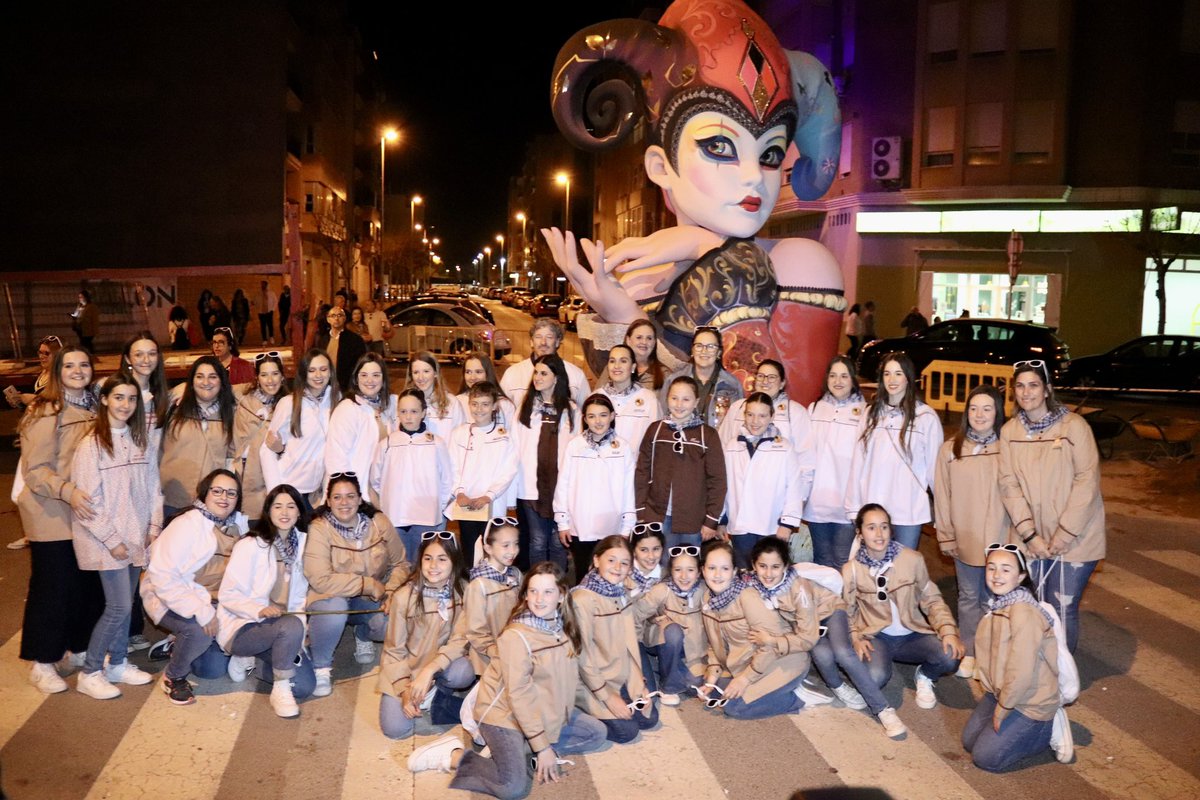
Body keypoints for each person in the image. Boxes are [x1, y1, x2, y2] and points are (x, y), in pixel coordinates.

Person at [544, 0, 845, 406]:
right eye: (720, 145)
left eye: (770, 153)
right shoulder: (637, 279)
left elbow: (768, 411)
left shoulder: (801, 264)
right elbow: (630, 410)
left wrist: (714, 253)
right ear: (660, 165)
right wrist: (624, 317)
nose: (753, 175)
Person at [408, 563, 608, 796]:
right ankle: (454, 755)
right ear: (524, 594)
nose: (539, 599)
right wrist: (542, 747)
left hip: (542, 710)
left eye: (547, 592)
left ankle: (517, 750)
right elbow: (518, 696)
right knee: (511, 786)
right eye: (532, 591)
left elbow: (579, 671)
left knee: (596, 734)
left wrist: (607, 697)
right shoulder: (517, 636)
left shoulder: (566, 627)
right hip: (504, 715)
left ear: (562, 595)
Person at [999, 361, 1105, 654]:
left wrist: (1064, 533)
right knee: (1036, 605)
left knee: (1062, 606)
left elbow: (1087, 480)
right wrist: (1029, 535)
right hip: (1030, 538)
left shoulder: (1074, 426)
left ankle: (1061, 678)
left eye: (1033, 385)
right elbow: (1009, 484)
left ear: (1046, 389)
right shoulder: (1009, 432)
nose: (1026, 392)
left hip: (1075, 536)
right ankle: (1041, 673)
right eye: (1020, 386)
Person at [17, 346, 104, 694]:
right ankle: (42, 661)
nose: (77, 370)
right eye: (69, 365)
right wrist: (69, 492)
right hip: (52, 513)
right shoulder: (45, 410)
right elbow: (35, 470)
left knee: (86, 587)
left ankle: (79, 648)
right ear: (57, 371)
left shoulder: (96, 407)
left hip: (87, 514)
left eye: (84, 364)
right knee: (53, 589)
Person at [69, 374, 161, 699]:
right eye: (119, 397)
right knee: (118, 607)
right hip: (106, 542)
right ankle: (91, 670)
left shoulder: (141, 439)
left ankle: (118, 663)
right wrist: (113, 540)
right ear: (105, 399)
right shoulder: (90, 445)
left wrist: (153, 529)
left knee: (128, 603)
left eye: (131, 398)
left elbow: (153, 487)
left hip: (137, 538)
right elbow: (88, 503)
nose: (125, 404)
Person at [842, 503, 964, 729]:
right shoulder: (851, 570)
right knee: (875, 677)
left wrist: (948, 631)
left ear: (891, 529)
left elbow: (932, 599)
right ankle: (882, 664)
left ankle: (925, 675)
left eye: (884, 527)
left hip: (912, 635)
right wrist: (855, 636)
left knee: (950, 656)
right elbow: (846, 610)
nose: (879, 534)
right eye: (871, 528)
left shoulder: (912, 559)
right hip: (876, 637)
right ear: (859, 533)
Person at [140, 469, 251, 705]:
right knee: (199, 632)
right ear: (205, 493)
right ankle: (173, 677)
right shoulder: (186, 525)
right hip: (167, 595)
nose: (224, 497)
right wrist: (201, 611)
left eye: (231, 493)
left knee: (210, 669)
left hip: (213, 599)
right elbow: (163, 576)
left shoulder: (239, 525)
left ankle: (177, 644)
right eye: (217, 491)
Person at [962, 543, 1073, 770]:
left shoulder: (1023, 612)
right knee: (969, 742)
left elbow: (1020, 669)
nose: (996, 575)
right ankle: (1018, 727)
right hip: (1002, 693)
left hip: (1030, 701)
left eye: (1005, 569)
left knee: (986, 758)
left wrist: (1004, 707)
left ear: (1021, 576)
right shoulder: (999, 606)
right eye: (991, 568)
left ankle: (1047, 729)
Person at [303, 472, 408, 696]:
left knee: (391, 623)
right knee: (334, 609)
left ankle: (363, 633)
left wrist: (389, 592)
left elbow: (401, 563)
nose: (344, 503)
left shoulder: (379, 522)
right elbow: (320, 579)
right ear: (328, 501)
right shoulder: (319, 528)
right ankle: (321, 666)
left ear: (360, 499)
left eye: (350, 496)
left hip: (371, 599)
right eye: (337, 497)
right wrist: (367, 585)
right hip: (330, 597)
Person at [934, 384, 1012, 680]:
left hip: (1000, 538)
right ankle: (970, 652)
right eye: (974, 408)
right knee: (968, 596)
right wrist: (946, 533)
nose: (980, 415)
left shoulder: (1007, 448)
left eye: (987, 408)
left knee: (998, 599)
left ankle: (996, 654)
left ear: (998, 413)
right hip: (964, 537)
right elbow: (942, 495)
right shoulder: (951, 449)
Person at [218, 484, 316, 718]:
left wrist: (299, 638)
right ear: (268, 511)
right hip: (244, 626)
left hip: (284, 629)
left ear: (300, 512)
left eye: (291, 506)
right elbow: (228, 595)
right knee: (291, 624)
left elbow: (300, 601)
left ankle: (251, 660)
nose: (284, 512)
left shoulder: (305, 545)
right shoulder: (250, 544)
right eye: (278, 506)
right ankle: (279, 689)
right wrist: (259, 609)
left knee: (304, 687)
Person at [377, 531, 474, 739]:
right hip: (407, 670)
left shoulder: (465, 592)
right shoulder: (404, 597)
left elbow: (459, 641)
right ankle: (428, 697)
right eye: (427, 558)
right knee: (395, 729)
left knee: (463, 671)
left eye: (442, 559)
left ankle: (433, 691)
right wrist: (404, 690)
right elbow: (394, 651)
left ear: (454, 561)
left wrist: (429, 671)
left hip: (439, 667)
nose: (433, 566)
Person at [696, 540, 807, 719]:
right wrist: (712, 676)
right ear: (703, 571)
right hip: (747, 664)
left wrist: (745, 679)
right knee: (714, 691)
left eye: (725, 569)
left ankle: (799, 696)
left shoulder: (748, 597)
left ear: (734, 571)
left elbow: (771, 645)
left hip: (781, 662)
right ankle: (764, 689)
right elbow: (715, 643)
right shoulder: (708, 599)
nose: (717, 575)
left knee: (734, 709)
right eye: (711, 568)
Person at [846, 353, 943, 551]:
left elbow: (936, 470)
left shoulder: (926, 417)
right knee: (873, 573)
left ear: (908, 377)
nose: (892, 380)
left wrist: (943, 511)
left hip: (909, 510)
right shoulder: (870, 414)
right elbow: (858, 463)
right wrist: (854, 507)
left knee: (903, 574)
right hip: (874, 509)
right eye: (887, 374)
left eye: (898, 374)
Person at [570, 535, 659, 743]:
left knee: (648, 719)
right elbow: (582, 656)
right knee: (626, 732)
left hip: (616, 674)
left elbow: (626, 646)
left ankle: (621, 697)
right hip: (589, 680)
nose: (618, 567)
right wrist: (608, 697)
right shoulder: (582, 599)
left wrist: (638, 686)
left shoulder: (620, 593)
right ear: (596, 560)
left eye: (624, 562)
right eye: (611, 560)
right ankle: (571, 711)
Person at [635, 376, 727, 560]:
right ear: (667, 399)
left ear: (696, 402)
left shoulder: (707, 435)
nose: (679, 404)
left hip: (693, 519)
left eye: (686, 399)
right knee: (659, 566)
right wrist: (641, 511)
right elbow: (642, 472)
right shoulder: (655, 430)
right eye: (674, 398)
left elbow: (717, 480)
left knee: (688, 569)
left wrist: (711, 521)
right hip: (656, 517)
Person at [554, 393, 636, 581]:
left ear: (612, 416)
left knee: (610, 575)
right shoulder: (574, 446)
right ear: (585, 419)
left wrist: (626, 528)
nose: (597, 421)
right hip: (580, 526)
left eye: (603, 415)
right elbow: (563, 484)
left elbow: (628, 490)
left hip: (611, 526)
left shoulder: (623, 448)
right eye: (591, 416)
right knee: (583, 574)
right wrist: (563, 522)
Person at [720, 391, 805, 568]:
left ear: (772, 416)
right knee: (744, 576)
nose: (755, 421)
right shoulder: (732, 446)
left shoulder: (784, 447)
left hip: (771, 527)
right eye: (750, 414)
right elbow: (724, 486)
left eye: (762, 415)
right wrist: (722, 520)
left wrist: (787, 524)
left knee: (769, 577)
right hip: (741, 526)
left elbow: (794, 488)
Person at [372, 387, 453, 563]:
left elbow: (447, 480)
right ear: (397, 413)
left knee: (423, 565)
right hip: (395, 516)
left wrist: (439, 507)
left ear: (424, 413)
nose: (408, 417)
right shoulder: (386, 444)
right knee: (399, 566)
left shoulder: (436, 444)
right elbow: (376, 481)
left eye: (414, 411)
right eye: (403, 411)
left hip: (427, 517)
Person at [513, 354, 579, 572]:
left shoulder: (571, 410)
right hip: (531, 487)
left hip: (559, 488)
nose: (537, 377)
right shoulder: (526, 407)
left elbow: (575, 450)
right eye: (536, 372)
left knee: (558, 542)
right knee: (538, 541)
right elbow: (515, 445)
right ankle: (537, 584)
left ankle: (558, 587)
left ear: (557, 377)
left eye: (544, 373)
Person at [803, 356, 867, 570]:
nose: (838, 381)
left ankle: (844, 604)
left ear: (853, 380)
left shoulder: (865, 412)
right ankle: (827, 604)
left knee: (843, 560)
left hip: (847, 504)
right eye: (833, 375)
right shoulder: (814, 409)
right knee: (821, 559)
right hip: (817, 502)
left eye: (844, 376)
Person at [446, 381, 519, 560]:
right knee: (470, 551)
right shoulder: (459, 433)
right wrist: (459, 493)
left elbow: (508, 471)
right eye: (475, 404)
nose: (479, 409)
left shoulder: (504, 437)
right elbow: (452, 467)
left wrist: (489, 495)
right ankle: (471, 584)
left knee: (492, 549)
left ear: (494, 406)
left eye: (485, 404)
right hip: (466, 504)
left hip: (493, 504)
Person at [6, 335, 64, 551]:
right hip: (34, 437)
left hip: (46, 442)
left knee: (26, 492)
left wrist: (31, 399)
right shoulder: (44, 375)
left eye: (46, 353)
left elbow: (55, 405)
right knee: (22, 493)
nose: (41, 356)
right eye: (40, 352)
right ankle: (32, 534)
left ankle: (38, 535)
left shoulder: (59, 377)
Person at [261, 349, 337, 512]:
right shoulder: (289, 403)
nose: (318, 375)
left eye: (323, 369)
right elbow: (266, 449)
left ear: (330, 372)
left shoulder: (336, 402)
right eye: (312, 370)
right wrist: (276, 494)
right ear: (304, 373)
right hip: (290, 490)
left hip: (319, 493)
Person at [160, 356, 235, 518]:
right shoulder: (172, 409)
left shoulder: (231, 414)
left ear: (222, 382)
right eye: (199, 376)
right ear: (191, 382)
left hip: (211, 503)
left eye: (213, 377)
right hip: (173, 501)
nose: (205, 382)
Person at [633, 543, 705, 705]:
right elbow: (636, 613)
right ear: (671, 571)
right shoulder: (662, 589)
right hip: (663, 639)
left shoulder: (705, 590)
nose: (684, 576)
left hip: (691, 648)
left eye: (690, 570)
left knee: (694, 686)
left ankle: (668, 665)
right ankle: (668, 686)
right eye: (678, 570)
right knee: (673, 631)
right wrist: (652, 619)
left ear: (699, 572)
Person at [453, 521, 521, 676]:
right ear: (488, 548)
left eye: (516, 544)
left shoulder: (514, 575)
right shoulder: (479, 584)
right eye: (505, 545)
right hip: (488, 659)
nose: (513, 551)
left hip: (511, 651)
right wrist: (496, 652)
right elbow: (476, 631)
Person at [326, 353, 397, 497]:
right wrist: (349, 493)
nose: (370, 380)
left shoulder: (388, 406)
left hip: (383, 489)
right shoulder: (348, 409)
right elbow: (336, 456)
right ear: (356, 379)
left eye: (376, 375)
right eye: (364, 375)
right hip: (357, 491)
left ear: (383, 379)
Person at [232, 352, 286, 523]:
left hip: (279, 479)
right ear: (257, 378)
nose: (270, 380)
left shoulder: (288, 404)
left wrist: (281, 448)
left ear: (283, 376)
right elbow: (239, 445)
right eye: (264, 375)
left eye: (275, 373)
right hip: (249, 478)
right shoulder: (245, 403)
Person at [660, 327, 742, 428]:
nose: (704, 351)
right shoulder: (673, 381)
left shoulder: (732, 384)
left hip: (718, 442)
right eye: (699, 346)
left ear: (719, 352)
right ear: (692, 350)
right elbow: (662, 418)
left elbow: (737, 424)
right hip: (680, 440)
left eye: (711, 346)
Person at [717, 359, 811, 447]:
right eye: (761, 376)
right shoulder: (737, 407)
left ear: (782, 383)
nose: (765, 381)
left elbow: (805, 455)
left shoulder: (796, 412)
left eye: (772, 377)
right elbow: (722, 445)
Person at [499, 318, 589, 409]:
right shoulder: (512, 374)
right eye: (538, 337)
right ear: (531, 342)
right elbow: (501, 412)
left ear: (557, 342)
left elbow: (586, 412)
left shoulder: (576, 376)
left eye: (549, 337)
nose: (543, 342)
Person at [595, 344, 661, 449]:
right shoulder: (596, 397)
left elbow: (656, 438)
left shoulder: (649, 399)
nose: (617, 366)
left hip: (636, 463)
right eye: (612, 361)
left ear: (633, 367)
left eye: (623, 361)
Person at [405, 351, 464, 442]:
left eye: (426, 371)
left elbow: (461, 438)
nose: (421, 377)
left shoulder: (452, 403)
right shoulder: (404, 403)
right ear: (411, 375)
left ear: (436, 373)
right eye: (416, 372)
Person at [456, 352, 516, 429]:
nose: (472, 377)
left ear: (488, 373)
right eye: (468, 372)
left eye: (478, 372)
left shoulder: (504, 404)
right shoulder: (457, 402)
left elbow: (512, 436)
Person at [317, 305, 367, 394]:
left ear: (344, 319)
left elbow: (361, 362)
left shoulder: (354, 339)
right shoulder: (323, 339)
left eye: (339, 315)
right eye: (333, 316)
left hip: (346, 384)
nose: (336, 319)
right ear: (328, 319)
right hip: (326, 383)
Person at [627, 524, 664, 598]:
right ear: (633, 551)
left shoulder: (667, 578)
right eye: (644, 550)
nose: (651, 556)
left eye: (656, 549)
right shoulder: (621, 574)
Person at [256, 280, 278, 346]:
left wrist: (273, 309)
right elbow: (256, 301)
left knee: (270, 325)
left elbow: (275, 301)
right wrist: (258, 308)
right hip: (261, 312)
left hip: (269, 311)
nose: (262, 286)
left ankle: (271, 337)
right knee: (263, 326)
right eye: (261, 285)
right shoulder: (258, 294)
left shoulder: (271, 293)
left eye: (263, 285)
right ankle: (264, 339)